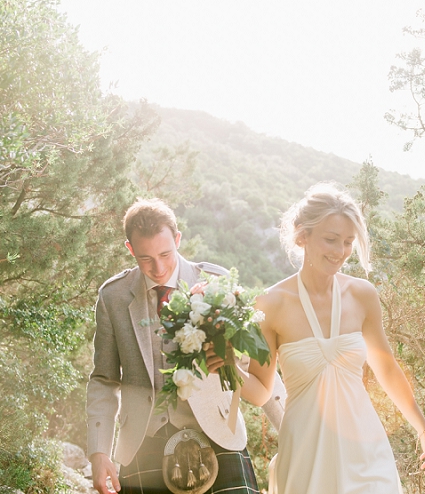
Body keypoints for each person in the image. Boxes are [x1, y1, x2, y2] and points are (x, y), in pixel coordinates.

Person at [243, 183, 425, 493]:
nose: (340, 252)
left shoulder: (362, 295)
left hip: (365, 450)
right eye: (331, 239)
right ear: (302, 235)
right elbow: (260, 392)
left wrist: (423, 430)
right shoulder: (271, 305)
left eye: (349, 242)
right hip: (305, 455)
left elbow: (387, 370)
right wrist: (224, 366)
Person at [87, 198, 285, 494]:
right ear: (130, 249)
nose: (158, 267)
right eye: (145, 258)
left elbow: (253, 361)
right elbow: (104, 379)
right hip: (143, 442)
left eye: (166, 254)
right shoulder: (113, 297)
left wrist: (292, 432)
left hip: (220, 434)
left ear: (178, 239)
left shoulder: (216, 283)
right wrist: (99, 452)